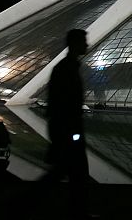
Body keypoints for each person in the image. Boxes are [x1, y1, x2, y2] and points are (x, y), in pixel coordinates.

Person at [40, 28, 91, 218]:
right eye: (83, 42)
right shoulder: (66, 69)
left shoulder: (66, 67)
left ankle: (74, 210)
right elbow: (62, 103)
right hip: (69, 130)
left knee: (68, 171)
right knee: (76, 172)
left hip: (67, 128)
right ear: (75, 44)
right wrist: (72, 132)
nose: (87, 45)